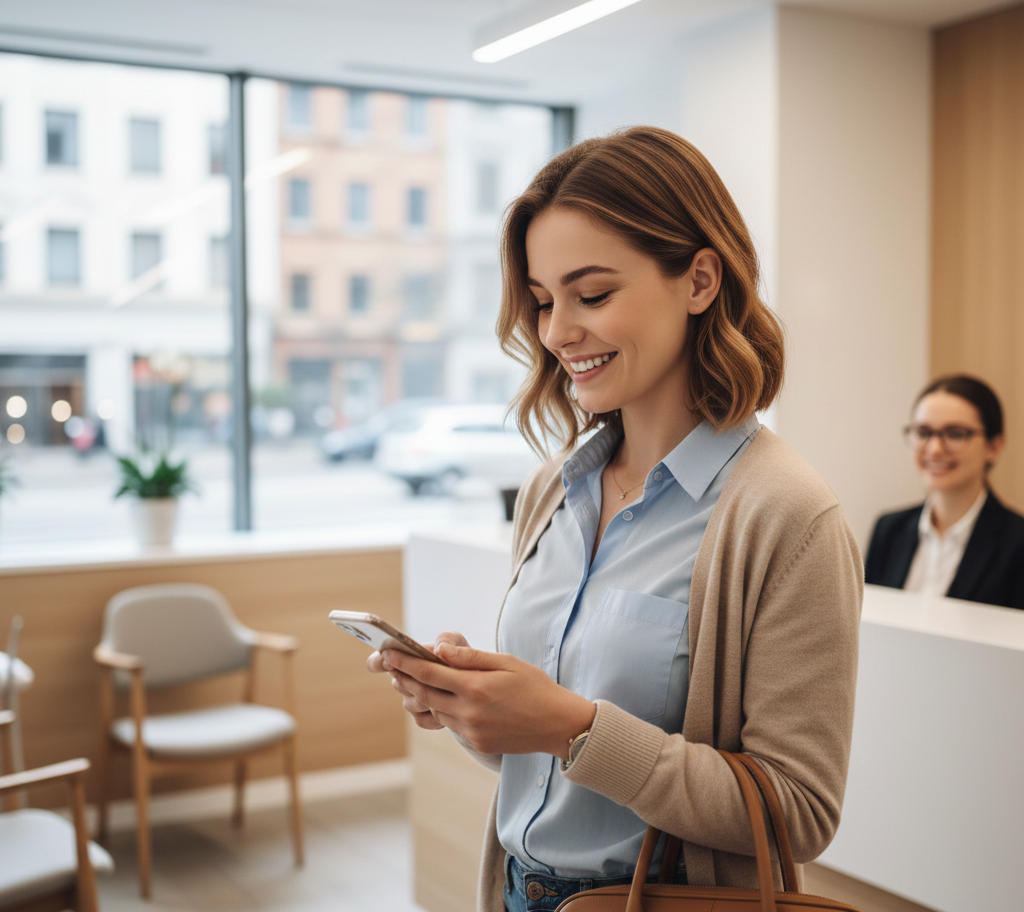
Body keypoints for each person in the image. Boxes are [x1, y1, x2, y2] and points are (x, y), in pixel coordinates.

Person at [368, 126, 863, 912]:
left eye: (591, 294)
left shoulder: (786, 516)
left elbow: (796, 813)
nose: (558, 331)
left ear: (700, 280)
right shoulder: (552, 492)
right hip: (515, 892)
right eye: (541, 301)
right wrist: (478, 711)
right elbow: (546, 766)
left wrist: (573, 727)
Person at [865, 375, 1024, 610]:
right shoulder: (889, 529)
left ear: (994, 446)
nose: (935, 449)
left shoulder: (1017, 543)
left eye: (955, 434)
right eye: (923, 432)